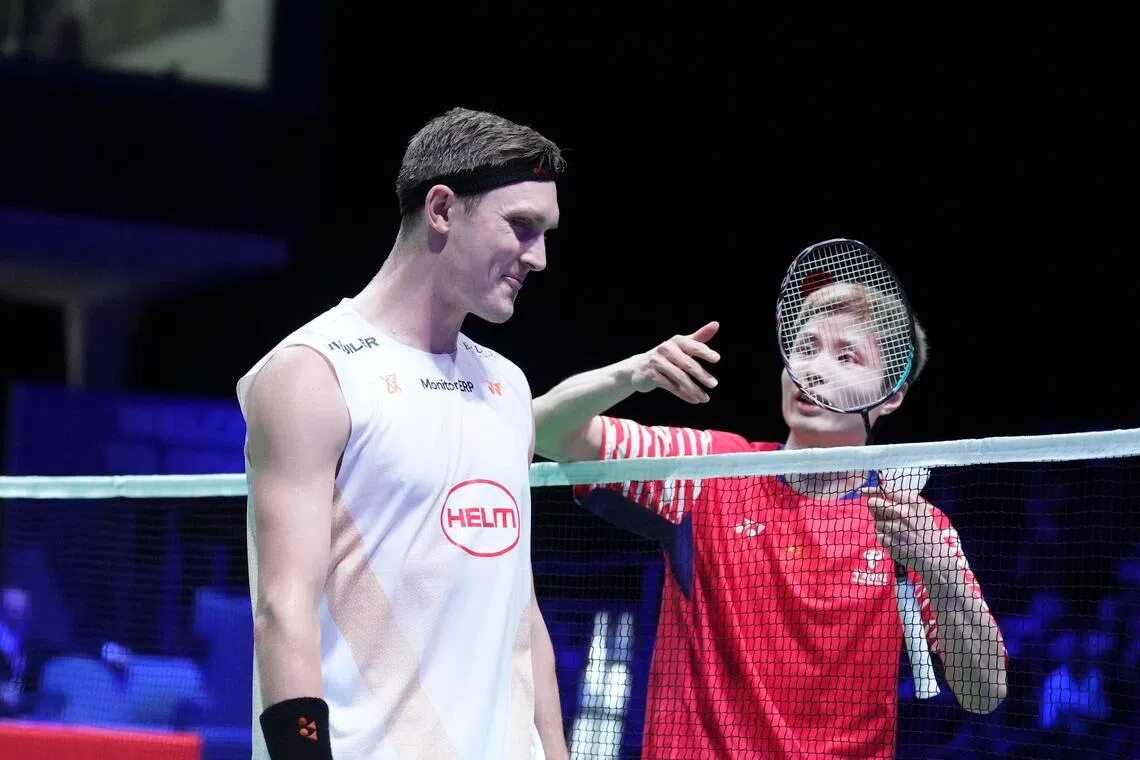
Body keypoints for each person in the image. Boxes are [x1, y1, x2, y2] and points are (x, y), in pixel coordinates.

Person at [533, 282, 1008, 758]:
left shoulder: (912, 523)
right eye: (806, 349)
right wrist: (632, 372)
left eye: (847, 358)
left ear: (891, 396)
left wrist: (940, 572)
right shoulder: (709, 469)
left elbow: (984, 693)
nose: (814, 371)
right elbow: (544, 431)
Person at [237, 107, 568, 760]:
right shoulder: (316, 374)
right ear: (442, 209)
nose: (540, 258)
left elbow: (519, 612)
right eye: (522, 228)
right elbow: (283, 607)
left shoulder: (508, 388)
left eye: (546, 233)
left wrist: (555, 752)